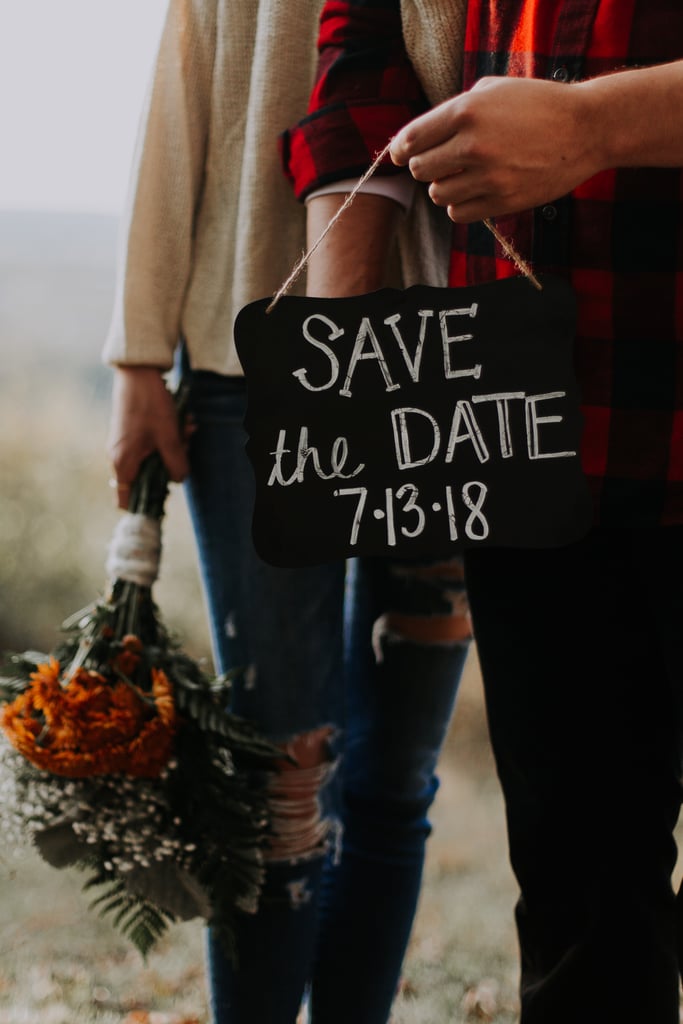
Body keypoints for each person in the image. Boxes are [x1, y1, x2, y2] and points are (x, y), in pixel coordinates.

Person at [284, 2, 683, 1022]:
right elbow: (363, 62)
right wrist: (342, 358)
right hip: (523, 418)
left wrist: (598, 125)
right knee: (574, 911)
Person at [104, 2, 471, 1022]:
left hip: (446, 373)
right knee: (277, 782)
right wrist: (138, 353)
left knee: (396, 779)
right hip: (247, 354)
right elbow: (180, 83)